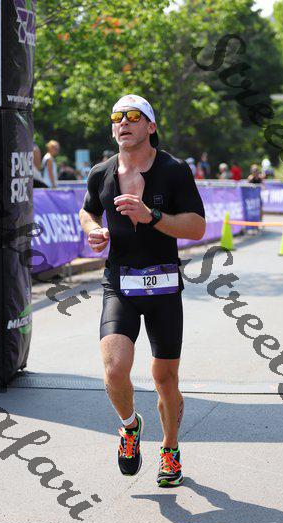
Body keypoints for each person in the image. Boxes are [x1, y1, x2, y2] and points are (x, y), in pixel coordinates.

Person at [79, 94, 206, 487]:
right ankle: (130, 426)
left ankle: (170, 448)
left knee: (165, 378)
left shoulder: (174, 171)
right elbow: (88, 211)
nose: (123, 122)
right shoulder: (101, 173)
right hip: (120, 282)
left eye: (134, 116)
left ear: (151, 126)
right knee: (115, 369)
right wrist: (94, 231)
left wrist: (152, 216)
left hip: (163, 284)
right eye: (117, 116)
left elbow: (197, 227)